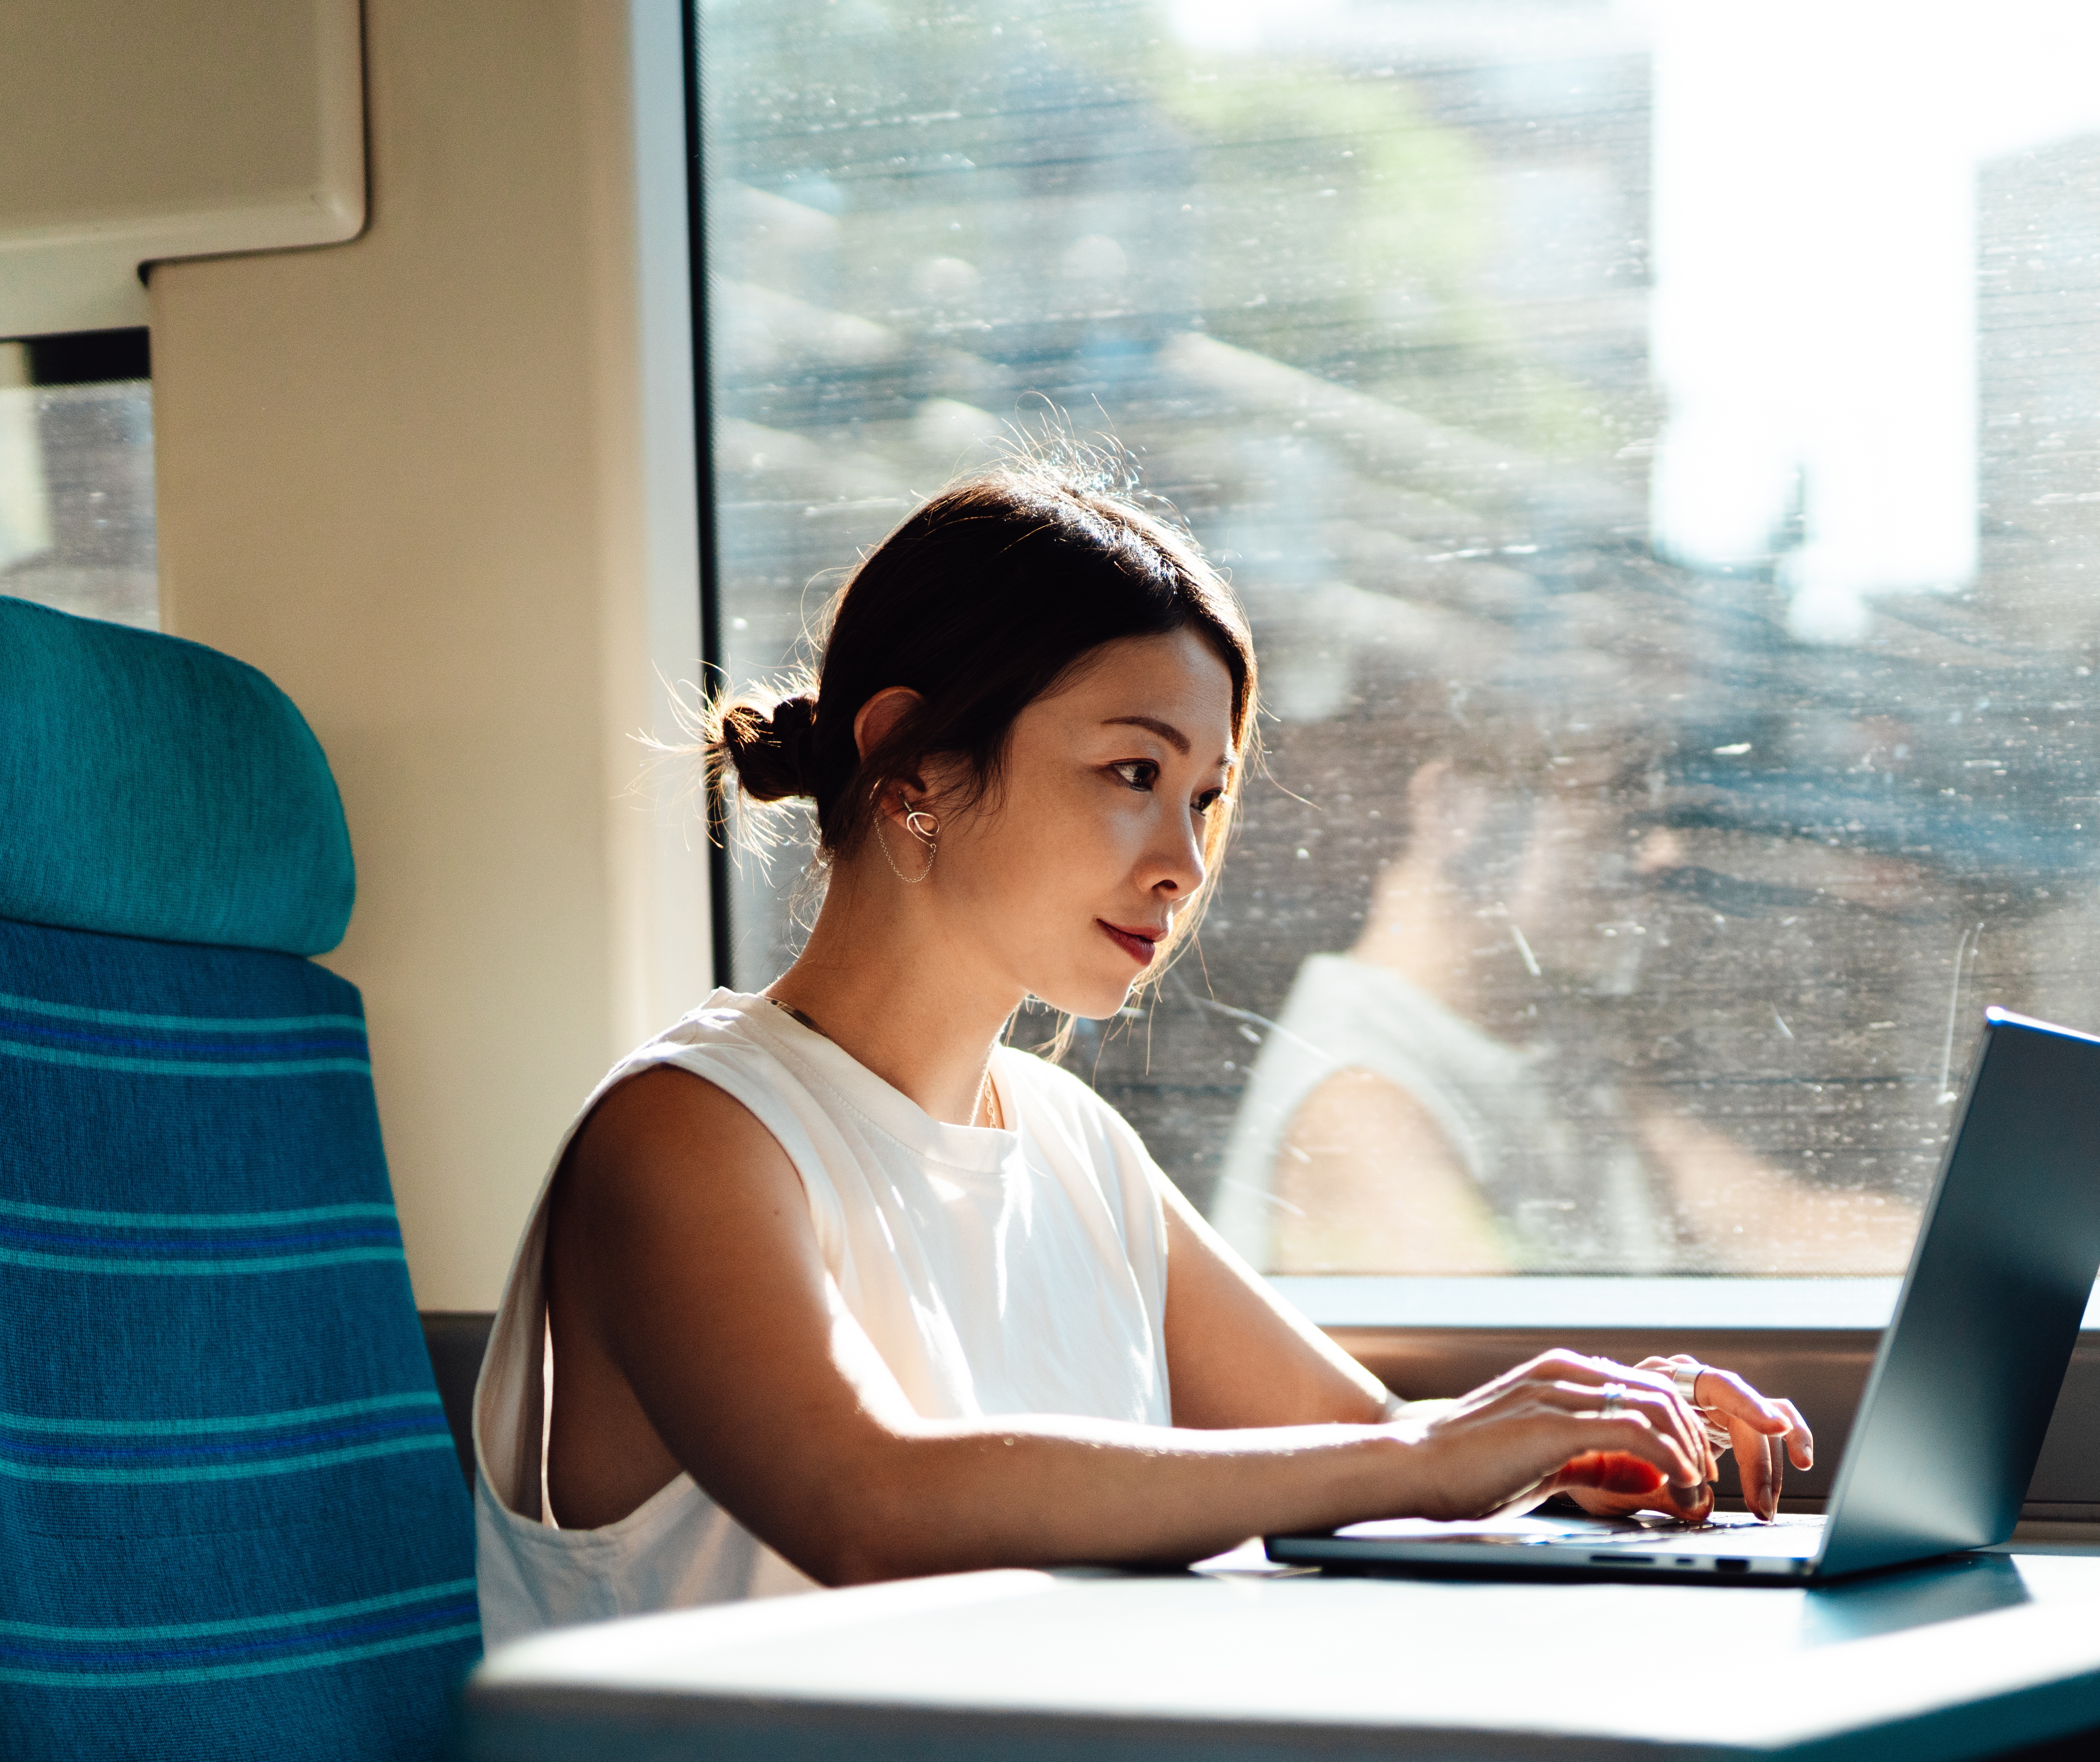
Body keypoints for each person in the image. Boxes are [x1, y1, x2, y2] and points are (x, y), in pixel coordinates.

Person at [468, 460, 1812, 1644]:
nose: (1180, 866)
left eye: (1206, 799)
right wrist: (1437, 1452)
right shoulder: (688, 1134)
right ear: (910, 766)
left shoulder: (1071, 1145)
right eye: (1131, 774)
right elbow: (867, 1507)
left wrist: (1585, 1440)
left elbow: (1368, 1447)